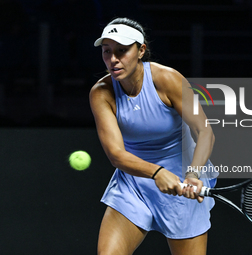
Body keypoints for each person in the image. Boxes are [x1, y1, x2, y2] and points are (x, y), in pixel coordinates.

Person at [89, 17, 217, 255]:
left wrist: (192, 175)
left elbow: (204, 131)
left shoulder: (167, 79)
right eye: (107, 51)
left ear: (141, 50)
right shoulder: (101, 93)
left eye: (122, 50)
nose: (113, 59)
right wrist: (155, 172)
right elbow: (117, 155)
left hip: (181, 178)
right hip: (134, 182)